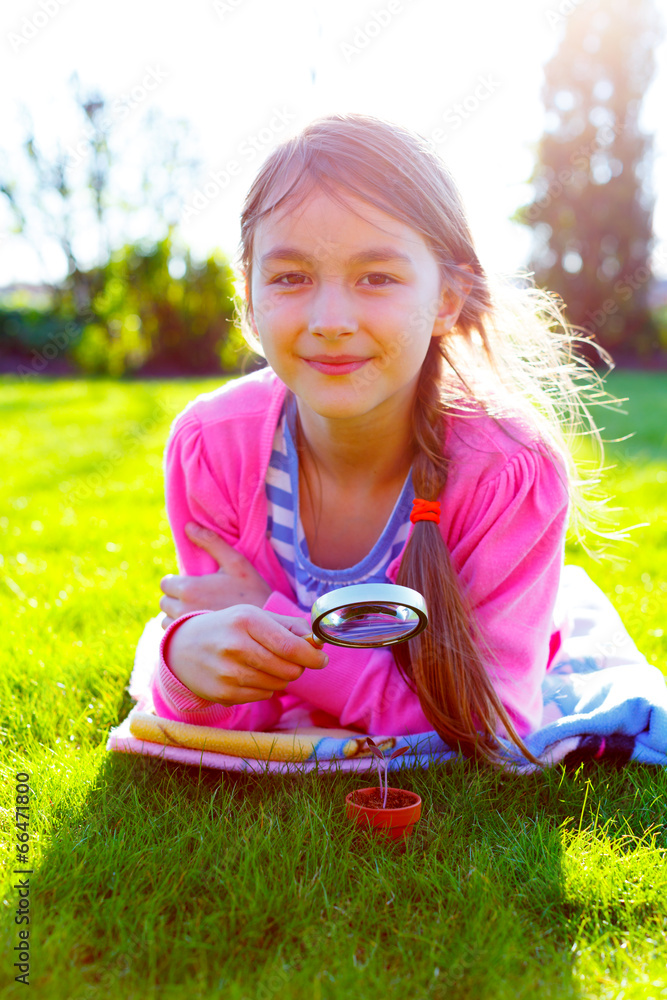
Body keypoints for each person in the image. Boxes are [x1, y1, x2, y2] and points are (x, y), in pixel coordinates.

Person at [149, 112, 621, 765]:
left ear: (446, 299)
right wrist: (185, 665)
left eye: (376, 277)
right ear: (249, 300)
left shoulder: (508, 470)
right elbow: (236, 717)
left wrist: (275, 621)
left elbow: (489, 724)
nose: (330, 320)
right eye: (290, 277)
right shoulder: (211, 446)